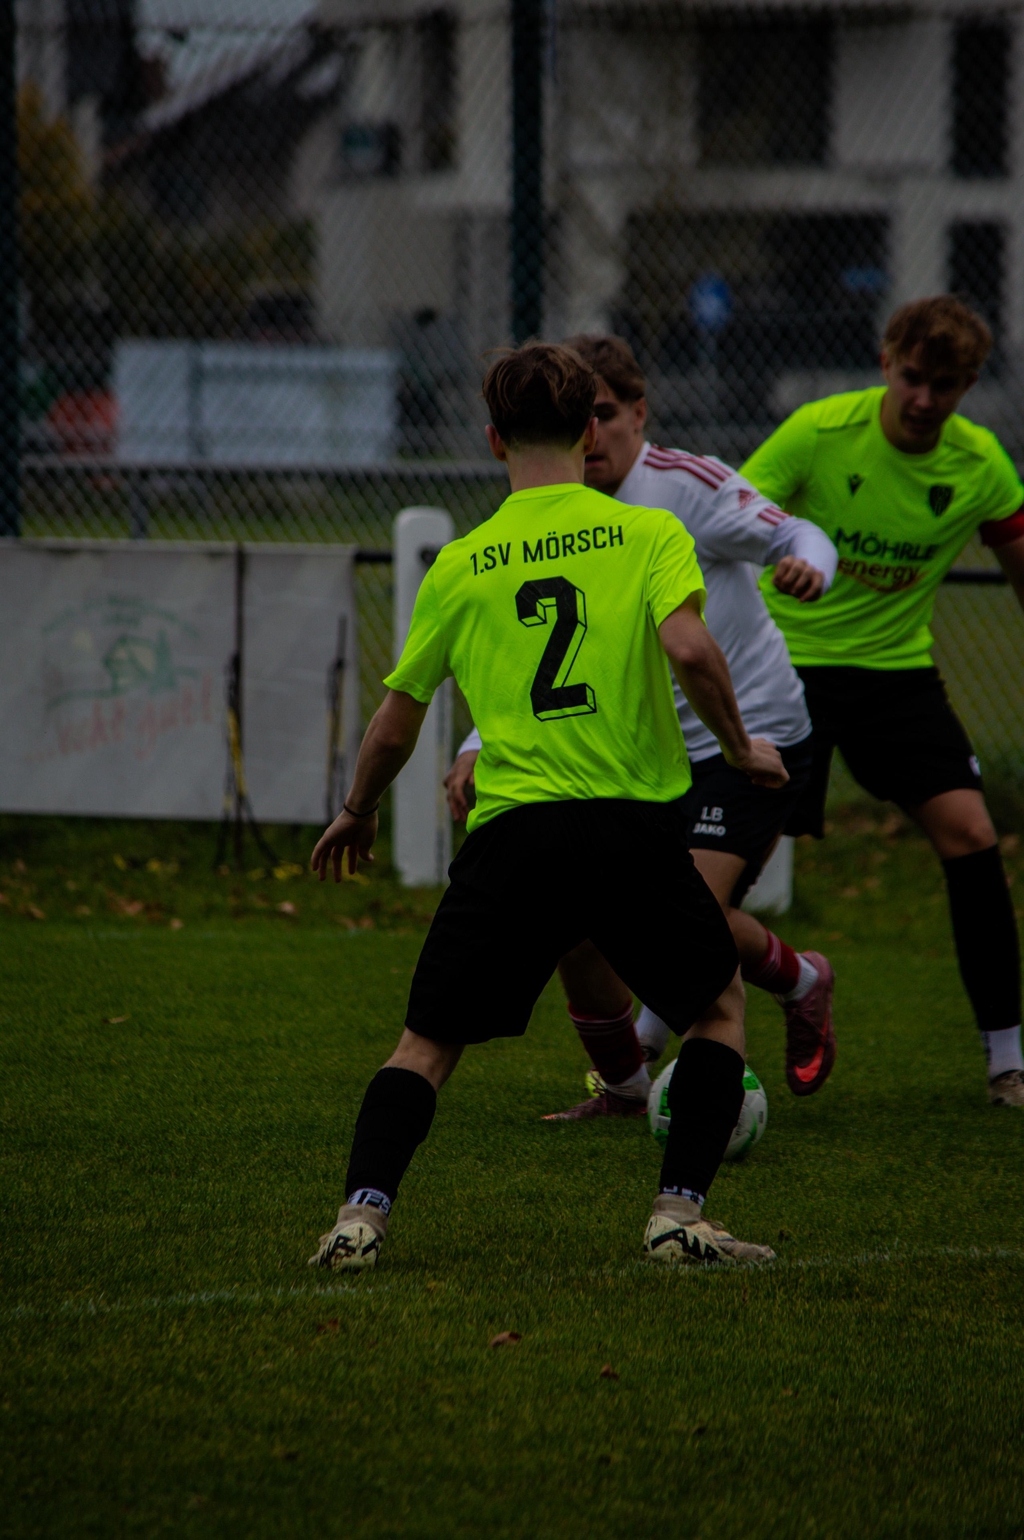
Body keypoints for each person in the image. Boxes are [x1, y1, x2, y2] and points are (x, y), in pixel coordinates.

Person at [308, 341, 787, 1273]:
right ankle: (679, 1217)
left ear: (493, 439)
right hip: (627, 824)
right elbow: (691, 650)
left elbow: (398, 718)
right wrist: (739, 750)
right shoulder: (646, 534)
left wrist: (358, 808)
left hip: (514, 830)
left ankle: (359, 1219)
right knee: (717, 1008)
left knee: (426, 1043)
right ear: (588, 432)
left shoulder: (462, 561)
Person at [445, 333, 840, 1116]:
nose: (588, 432)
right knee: (578, 924)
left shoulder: (684, 488)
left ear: (636, 414)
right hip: (635, 752)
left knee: (686, 914)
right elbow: (534, 651)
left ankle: (798, 982)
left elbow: (796, 532)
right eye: (577, 414)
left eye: (601, 412)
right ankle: (627, 1089)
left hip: (748, 737)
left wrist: (810, 565)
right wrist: (475, 743)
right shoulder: (550, 512)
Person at [741, 294, 1024, 1107]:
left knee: (972, 835)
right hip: (786, 668)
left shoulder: (980, 465)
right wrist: (780, 549)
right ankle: (650, 1044)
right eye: (913, 378)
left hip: (896, 677)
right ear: (885, 364)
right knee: (730, 859)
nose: (925, 399)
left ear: (969, 384)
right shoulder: (819, 431)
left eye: (946, 385)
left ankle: (1007, 1061)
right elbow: (727, 521)